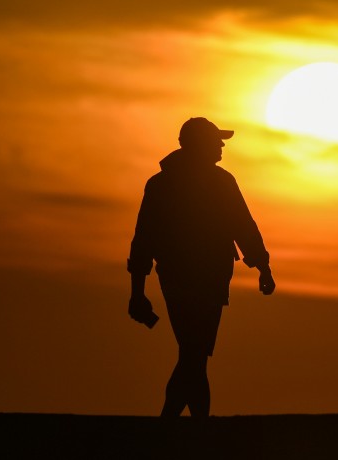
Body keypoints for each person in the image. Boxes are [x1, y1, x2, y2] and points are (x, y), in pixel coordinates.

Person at [127, 117, 276, 418]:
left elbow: (243, 226)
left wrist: (263, 265)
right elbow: (144, 239)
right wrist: (137, 293)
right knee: (194, 353)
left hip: (205, 279)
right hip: (189, 279)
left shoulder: (213, 182)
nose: (221, 145)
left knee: (194, 354)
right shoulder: (170, 185)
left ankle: (191, 427)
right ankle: (177, 423)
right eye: (215, 141)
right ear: (196, 145)